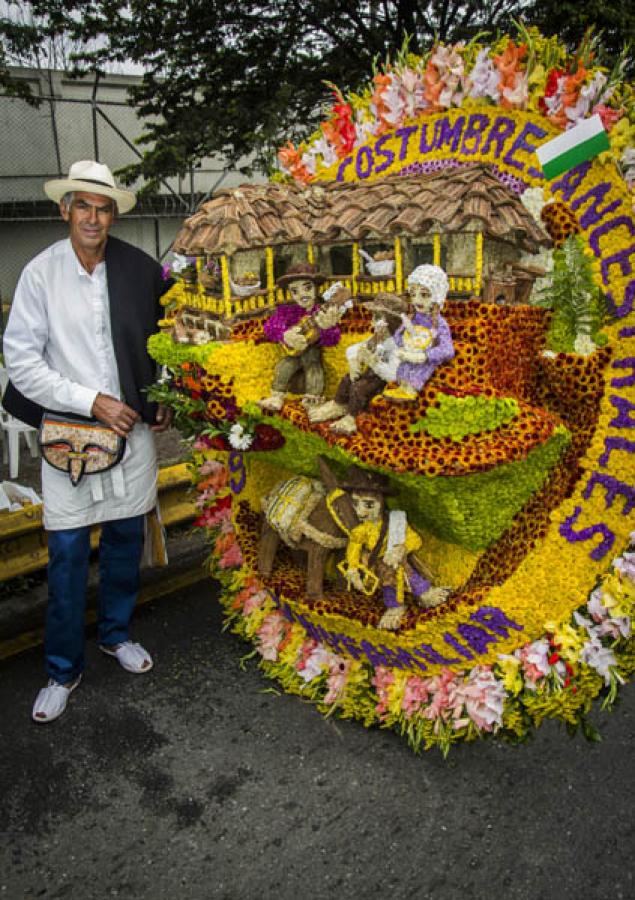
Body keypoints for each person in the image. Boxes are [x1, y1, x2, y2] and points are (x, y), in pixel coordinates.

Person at [2, 160, 173, 723]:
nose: (93, 217)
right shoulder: (40, 274)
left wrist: (166, 390)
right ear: (65, 209)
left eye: (103, 208)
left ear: (113, 215)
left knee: (125, 541)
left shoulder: (140, 269)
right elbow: (22, 363)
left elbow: (171, 337)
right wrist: (90, 400)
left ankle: (116, 634)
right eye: (83, 206)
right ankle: (60, 668)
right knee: (69, 555)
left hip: (131, 433)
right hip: (70, 438)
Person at [338, 467, 449, 630]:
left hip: (398, 559)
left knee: (408, 573)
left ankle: (424, 593)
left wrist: (402, 548)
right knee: (388, 581)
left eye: (368, 505)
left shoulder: (395, 520)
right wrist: (353, 569)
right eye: (355, 503)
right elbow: (353, 550)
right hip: (379, 565)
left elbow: (415, 539)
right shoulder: (360, 531)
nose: (360, 512)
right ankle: (395, 606)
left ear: (381, 502)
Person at [308, 292, 407, 434]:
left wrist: (373, 363)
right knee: (348, 379)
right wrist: (354, 362)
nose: (372, 322)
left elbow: (393, 374)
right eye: (373, 316)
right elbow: (353, 349)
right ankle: (338, 405)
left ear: (391, 322)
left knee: (358, 388)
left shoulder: (396, 345)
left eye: (378, 318)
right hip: (371, 375)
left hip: (383, 383)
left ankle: (352, 417)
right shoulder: (376, 339)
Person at [258, 263, 344, 412]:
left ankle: (313, 399)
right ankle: (277, 396)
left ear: (316, 288)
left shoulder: (321, 311)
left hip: (312, 352)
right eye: (295, 291)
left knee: (312, 363)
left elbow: (333, 339)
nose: (302, 295)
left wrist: (326, 328)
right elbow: (270, 326)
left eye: (307, 288)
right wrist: (285, 335)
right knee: (285, 365)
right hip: (293, 353)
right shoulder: (287, 311)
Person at [383, 264, 455, 402]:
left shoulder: (439, 324)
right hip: (407, 356)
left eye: (424, 295)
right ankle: (403, 386)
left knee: (418, 368)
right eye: (413, 294)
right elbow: (398, 336)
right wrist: (401, 345)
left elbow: (448, 349)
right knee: (402, 367)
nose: (417, 300)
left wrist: (424, 356)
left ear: (436, 297)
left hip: (425, 360)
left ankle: (411, 389)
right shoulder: (412, 318)